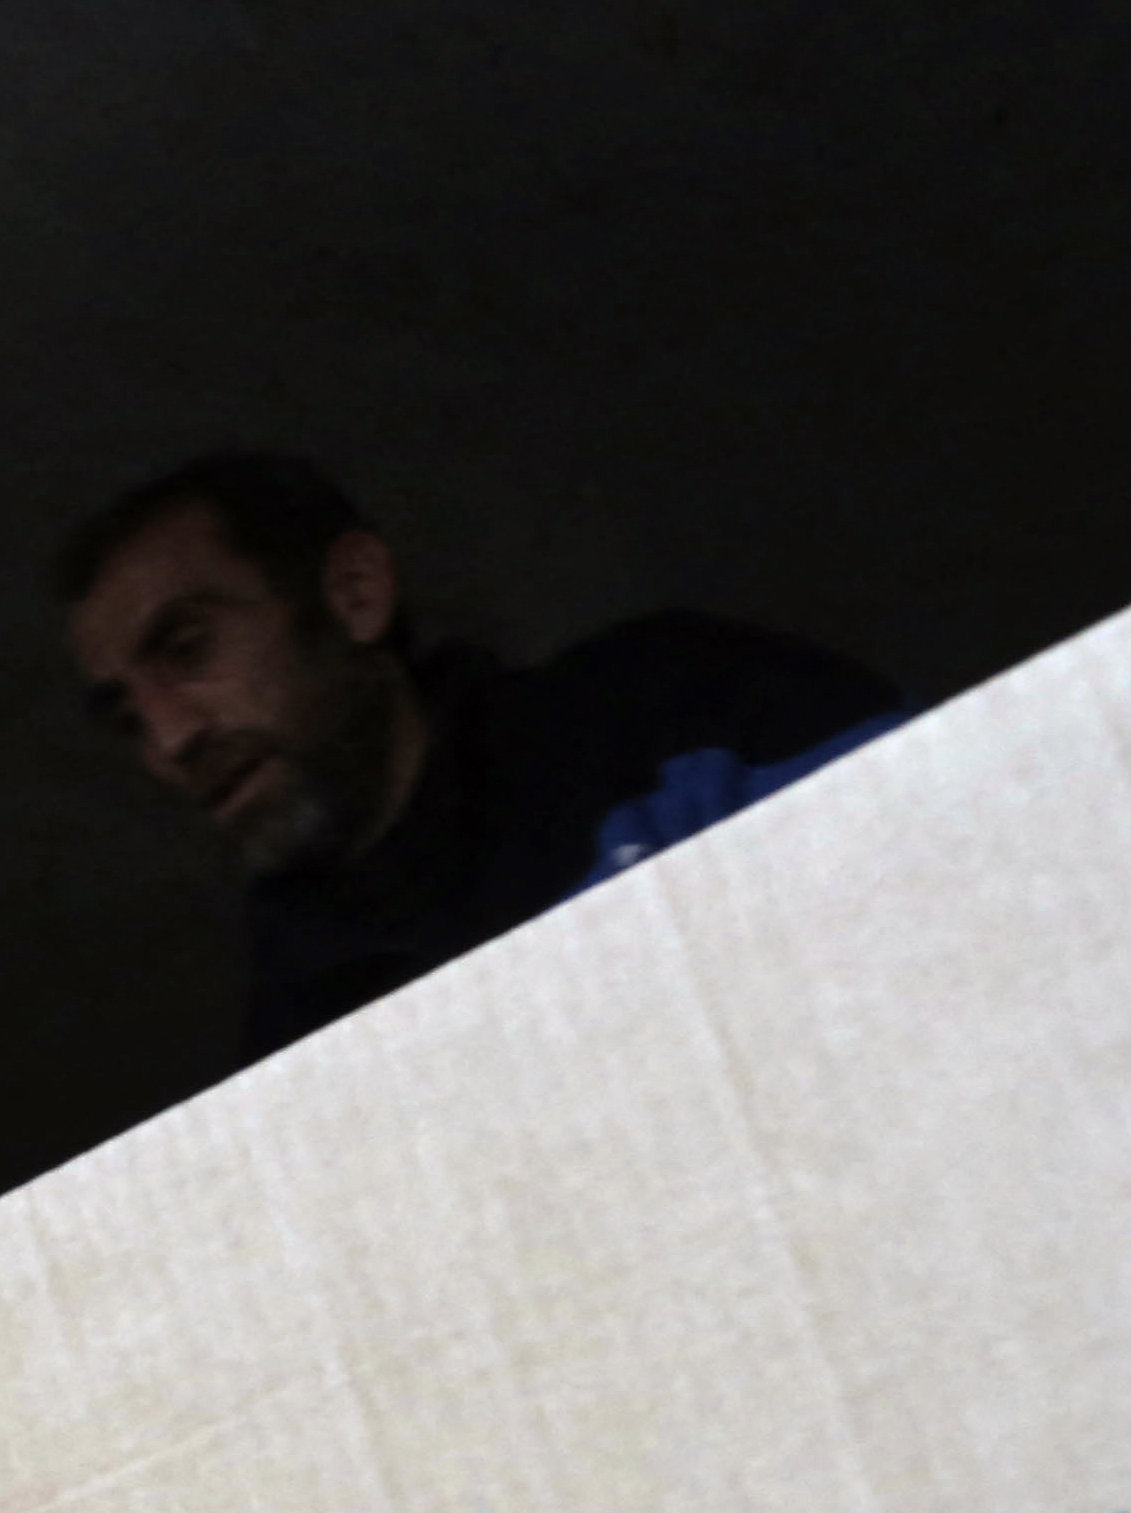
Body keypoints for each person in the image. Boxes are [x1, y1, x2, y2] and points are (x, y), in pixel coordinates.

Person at [53, 450, 904, 1063]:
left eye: (189, 649)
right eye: (127, 718)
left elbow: (940, 889)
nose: (171, 739)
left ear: (354, 595)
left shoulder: (673, 715)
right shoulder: (294, 1038)